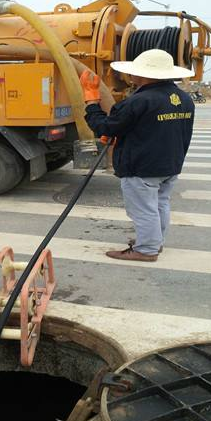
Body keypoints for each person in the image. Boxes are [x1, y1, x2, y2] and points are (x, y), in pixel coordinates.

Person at [80, 49, 195, 262]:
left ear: (144, 75)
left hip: (142, 167)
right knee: (160, 204)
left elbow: (105, 127)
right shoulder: (183, 98)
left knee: (143, 210)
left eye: (134, 71)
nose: (130, 75)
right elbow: (154, 128)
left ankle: (147, 250)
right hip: (170, 164)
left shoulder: (138, 101)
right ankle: (154, 242)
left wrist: (91, 102)